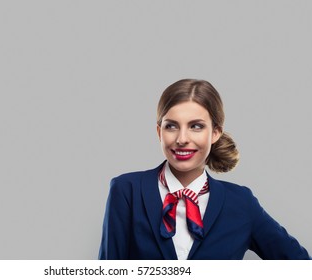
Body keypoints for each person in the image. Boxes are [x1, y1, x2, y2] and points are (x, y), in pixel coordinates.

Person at [98, 78, 311, 260]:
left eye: (196, 126)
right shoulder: (127, 190)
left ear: (215, 132)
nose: (182, 139)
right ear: (158, 132)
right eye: (171, 126)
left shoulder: (241, 203)